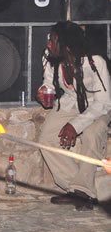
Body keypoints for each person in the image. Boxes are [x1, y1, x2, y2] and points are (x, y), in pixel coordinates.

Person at [36, 21, 111, 211]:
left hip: (99, 106)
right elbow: (49, 83)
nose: (48, 45)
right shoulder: (49, 57)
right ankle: (79, 191)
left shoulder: (95, 61)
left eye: (53, 41)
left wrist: (74, 125)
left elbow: (102, 102)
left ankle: (82, 191)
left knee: (92, 134)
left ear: (67, 45)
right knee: (46, 139)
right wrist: (44, 92)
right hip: (70, 103)